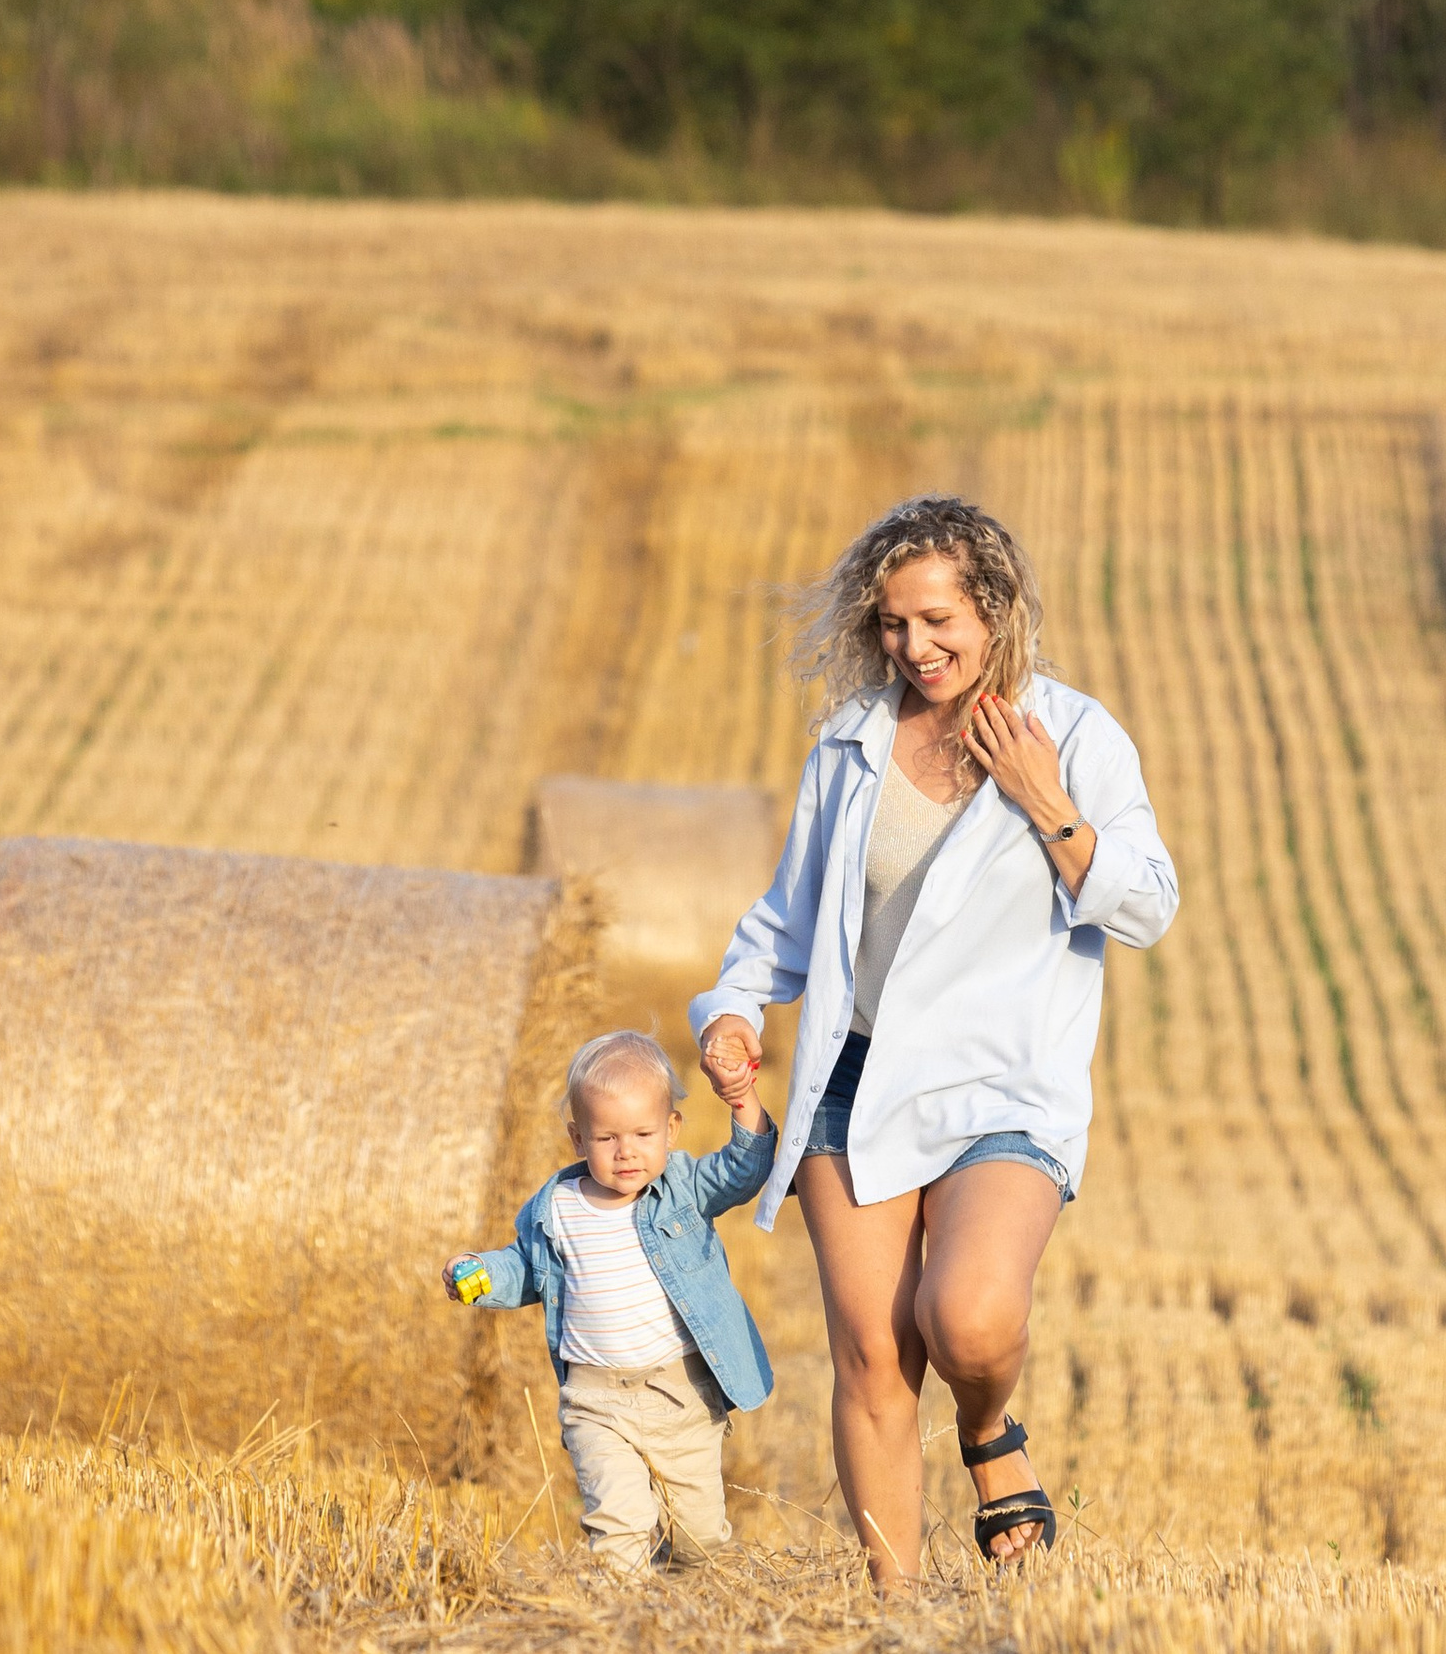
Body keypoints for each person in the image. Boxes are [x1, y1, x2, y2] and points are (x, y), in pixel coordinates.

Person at [692, 495, 1177, 1583]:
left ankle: (987, 1432)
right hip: (849, 1081)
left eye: (937, 620)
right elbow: (788, 916)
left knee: (964, 1318)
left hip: (999, 1084)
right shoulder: (851, 742)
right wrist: (730, 1008)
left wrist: (1048, 803)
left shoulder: (1079, 736)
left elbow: (1147, 905)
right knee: (871, 1355)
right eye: (894, 626)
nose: (915, 648)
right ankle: (891, 1614)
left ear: (995, 610)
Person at [442, 1030, 775, 1572]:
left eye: (644, 1133)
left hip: (682, 1395)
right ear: (578, 1138)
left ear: (671, 1129)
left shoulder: (683, 1188)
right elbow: (525, 1269)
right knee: (618, 1532)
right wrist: (477, 1273)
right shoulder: (558, 1208)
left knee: (700, 1540)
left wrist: (743, 1101)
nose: (627, 1152)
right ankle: (621, 1618)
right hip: (596, 1402)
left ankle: (675, 1610)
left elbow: (744, 1170)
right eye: (607, 1138)